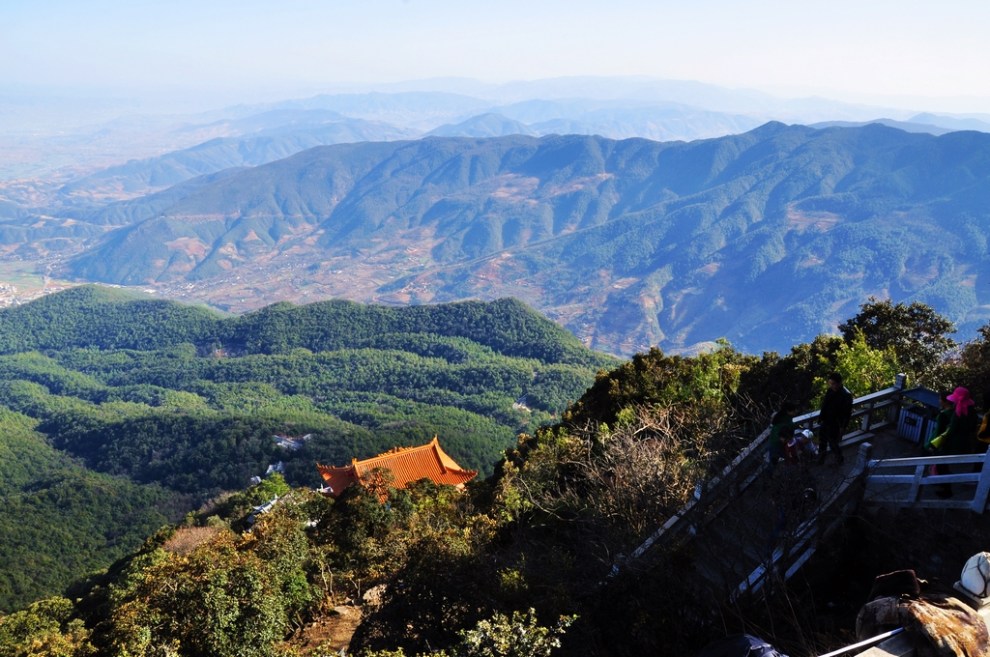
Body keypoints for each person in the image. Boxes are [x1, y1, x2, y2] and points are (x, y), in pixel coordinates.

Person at [928, 386, 978, 498]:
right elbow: (973, 428)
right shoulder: (973, 412)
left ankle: (946, 490)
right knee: (944, 465)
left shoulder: (958, 412)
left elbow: (950, 430)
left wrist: (935, 443)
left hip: (952, 444)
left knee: (941, 464)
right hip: (965, 444)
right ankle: (945, 487)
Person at [817, 372, 853, 465]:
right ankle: (821, 458)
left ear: (839, 383)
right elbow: (824, 405)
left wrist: (843, 427)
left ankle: (839, 458)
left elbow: (847, 413)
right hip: (826, 420)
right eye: (830, 383)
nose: (831, 385)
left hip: (835, 423)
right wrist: (821, 418)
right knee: (822, 440)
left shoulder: (846, 395)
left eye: (833, 383)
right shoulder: (830, 390)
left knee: (832, 442)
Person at [768, 401, 796, 469]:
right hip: (778, 442)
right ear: (788, 411)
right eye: (793, 411)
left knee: (774, 460)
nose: (795, 412)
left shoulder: (781, 417)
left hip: (776, 441)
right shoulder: (785, 420)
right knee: (775, 460)